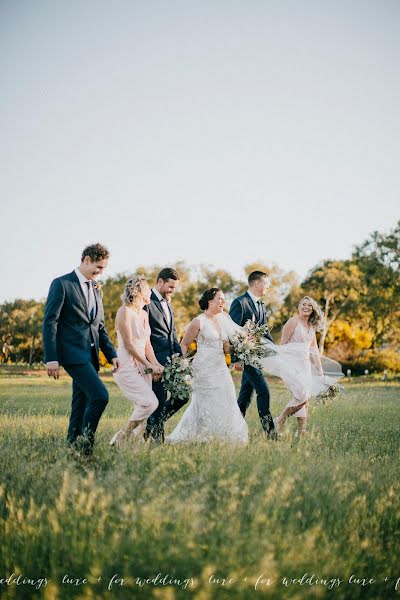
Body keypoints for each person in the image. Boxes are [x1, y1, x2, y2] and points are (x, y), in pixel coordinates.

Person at [42, 243, 119, 456]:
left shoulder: (96, 289)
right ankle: (85, 448)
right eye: (98, 267)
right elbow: (50, 322)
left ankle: (72, 448)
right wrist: (51, 358)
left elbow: (99, 325)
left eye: (103, 268)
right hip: (72, 354)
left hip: (91, 355)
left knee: (81, 403)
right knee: (100, 396)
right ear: (86, 260)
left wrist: (111, 354)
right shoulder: (62, 284)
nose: (101, 272)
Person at [166, 288, 248, 444]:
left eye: (224, 299)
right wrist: (179, 365)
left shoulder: (223, 319)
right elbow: (184, 344)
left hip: (221, 368)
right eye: (220, 299)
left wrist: (240, 348)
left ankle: (225, 436)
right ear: (210, 301)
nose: (223, 302)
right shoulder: (198, 321)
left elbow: (225, 347)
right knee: (203, 403)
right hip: (203, 369)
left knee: (228, 399)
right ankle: (200, 436)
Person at [271, 296, 344, 436]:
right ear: (299, 307)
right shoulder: (292, 322)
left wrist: (319, 369)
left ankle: (302, 431)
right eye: (303, 304)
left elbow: (314, 349)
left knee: (305, 399)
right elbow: (283, 345)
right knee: (302, 396)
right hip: (291, 365)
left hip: (305, 366)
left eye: (309, 305)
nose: (306, 307)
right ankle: (280, 420)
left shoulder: (311, 326)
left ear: (312, 309)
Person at [109, 277, 163, 448]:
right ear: (139, 292)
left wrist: (156, 365)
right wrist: (148, 365)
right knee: (150, 403)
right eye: (147, 290)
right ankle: (121, 437)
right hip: (126, 363)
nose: (150, 294)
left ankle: (132, 447)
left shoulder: (145, 314)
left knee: (142, 408)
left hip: (143, 364)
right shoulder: (124, 311)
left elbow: (147, 345)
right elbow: (129, 345)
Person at [229, 271, 275, 438]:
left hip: (256, 356)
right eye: (266, 284)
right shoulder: (239, 303)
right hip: (245, 357)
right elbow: (232, 332)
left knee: (245, 397)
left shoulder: (261, 305)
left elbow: (264, 331)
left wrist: (276, 350)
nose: (268, 287)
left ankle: (233, 430)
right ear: (257, 284)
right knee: (264, 391)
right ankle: (270, 434)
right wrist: (236, 359)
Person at [144, 267, 186, 442]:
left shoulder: (168, 302)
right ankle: (157, 441)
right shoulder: (146, 302)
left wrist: (181, 358)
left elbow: (172, 333)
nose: (172, 291)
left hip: (172, 360)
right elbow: (144, 336)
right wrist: (151, 363)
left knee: (182, 396)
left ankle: (149, 427)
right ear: (160, 282)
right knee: (159, 401)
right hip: (155, 361)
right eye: (170, 287)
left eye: (175, 288)